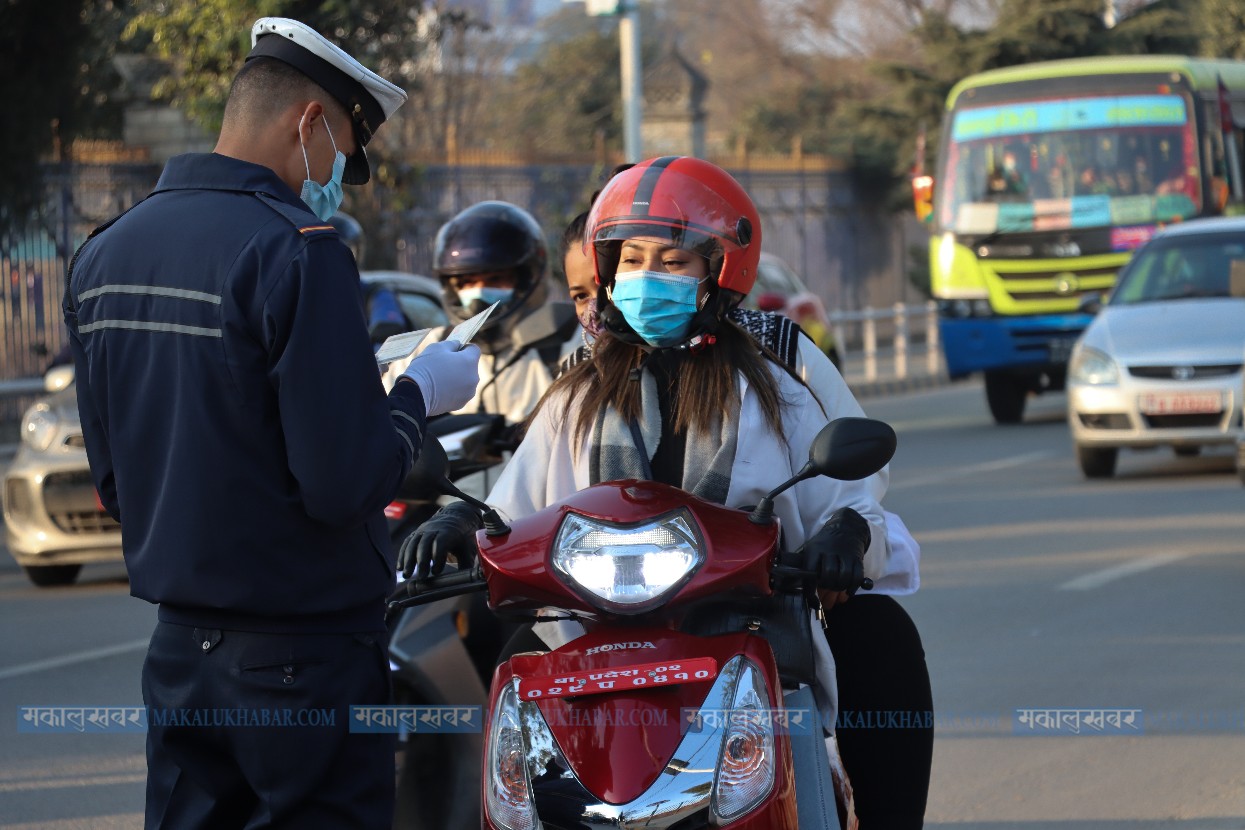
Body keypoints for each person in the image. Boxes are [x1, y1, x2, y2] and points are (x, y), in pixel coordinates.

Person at [406, 156, 932, 826]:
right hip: (597, 623)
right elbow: (518, 503)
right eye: (631, 259)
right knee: (513, 665)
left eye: (672, 261)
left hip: (746, 621)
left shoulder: (774, 378)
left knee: (879, 636)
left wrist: (846, 534)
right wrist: (458, 521)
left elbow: (848, 490)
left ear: (719, 270)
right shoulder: (577, 384)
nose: (646, 277)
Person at [62, 17, 481, 830]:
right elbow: (342, 483)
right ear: (309, 122)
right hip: (303, 658)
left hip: (180, 654)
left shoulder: (107, 251)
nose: (332, 176)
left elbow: (114, 482)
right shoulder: (297, 250)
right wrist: (417, 396)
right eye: (341, 153)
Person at [382, 200, 578, 428]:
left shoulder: (567, 347)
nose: (479, 293)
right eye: (467, 282)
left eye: (495, 279)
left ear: (528, 279)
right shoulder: (423, 351)